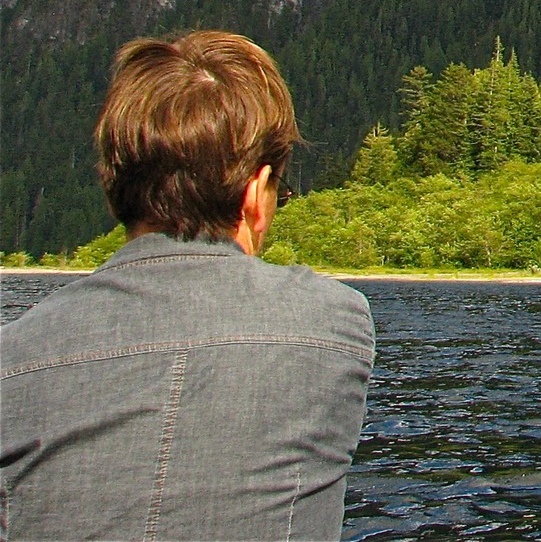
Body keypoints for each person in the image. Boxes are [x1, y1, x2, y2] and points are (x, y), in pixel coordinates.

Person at [1, 30, 374, 541]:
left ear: (115, 188)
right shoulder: (334, 324)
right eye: (277, 193)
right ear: (253, 193)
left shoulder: (12, 355)